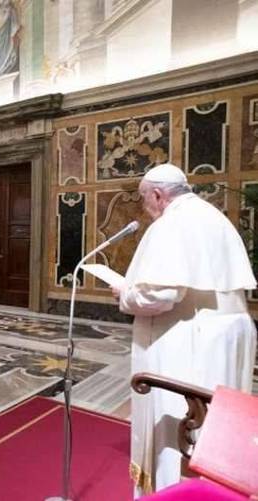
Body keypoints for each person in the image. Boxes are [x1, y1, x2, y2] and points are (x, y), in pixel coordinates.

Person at [111, 163, 257, 496]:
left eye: (144, 199)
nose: (145, 208)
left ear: (158, 195)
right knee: (218, 427)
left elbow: (160, 294)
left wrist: (126, 294)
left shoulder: (171, 224)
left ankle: (172, 492)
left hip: (190, 340)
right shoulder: (213, 216)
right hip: (227, 332)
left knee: (180, 419)